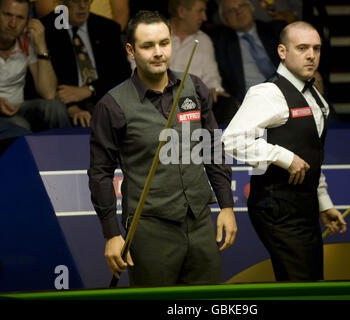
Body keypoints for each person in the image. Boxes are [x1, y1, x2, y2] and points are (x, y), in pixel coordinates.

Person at [88, 10, 237, 286]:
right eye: (148, 46)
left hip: (201, 223)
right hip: (149, 229)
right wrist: (111, 234)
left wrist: (226, 206)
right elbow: (100, 173)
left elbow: (213, 148)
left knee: (207, 304)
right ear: (131, 50)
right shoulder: (112, 105)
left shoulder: (194, 87)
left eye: (164, 43)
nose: (158, 53)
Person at [222, 21, 346, 281]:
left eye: (316, 48)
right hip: (275, 206)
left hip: (305, 206)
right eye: (302, 48)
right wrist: (283, 156)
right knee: (301, 286)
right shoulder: (268, 93)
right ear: (282, 51)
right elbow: (231, 139)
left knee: (310, 283)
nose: (311, 55)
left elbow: (312, 153)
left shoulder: (316, 97)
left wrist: (323, 203)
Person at [39, 0, 131, 127]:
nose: (82, 6)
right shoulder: (46, 29)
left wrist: (90, 89)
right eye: (75, 1)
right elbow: (47, 80)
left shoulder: (107, 28)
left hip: (105, 99)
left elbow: (122, 75)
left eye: (87, 0)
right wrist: (71, 108)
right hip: (67, 106)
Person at [0, 0, 70, 132]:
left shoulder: (26, 40)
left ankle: (69, 152)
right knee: (20, 126)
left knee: (56, 108)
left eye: (20, 18)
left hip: (18, 107)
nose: (13, 24)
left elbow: (49, 93)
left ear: (28, 21)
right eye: (7, 15)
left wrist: (41, 46)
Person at [208, 0, 285, 102]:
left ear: (251, 9)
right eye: (231, 10)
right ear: (225, 19)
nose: (238, 11)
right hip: (249, 102)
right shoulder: (219, 43)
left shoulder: (275, 30)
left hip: (285, 92)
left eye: (242, 5)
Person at [168, 0, 228, 104]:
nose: (204, 18)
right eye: (200, 11)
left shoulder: (204, 40)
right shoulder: (154, 35)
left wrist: (214, 90)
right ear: (181, 12)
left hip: (192, 106)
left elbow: (212, 78)